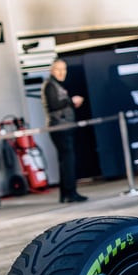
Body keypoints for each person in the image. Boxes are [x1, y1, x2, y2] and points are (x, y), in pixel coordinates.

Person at [41, 58, 87, 202]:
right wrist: (71, 101)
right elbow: (54, 104)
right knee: (68, 161)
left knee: (66, 161)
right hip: (60, 128)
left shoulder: (55, 85)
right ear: (51, 70)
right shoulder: (50, 85)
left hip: (63, 127)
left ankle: (66, 194)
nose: (61, 73)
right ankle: (70, 193)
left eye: (64, 69)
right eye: (58, 69)